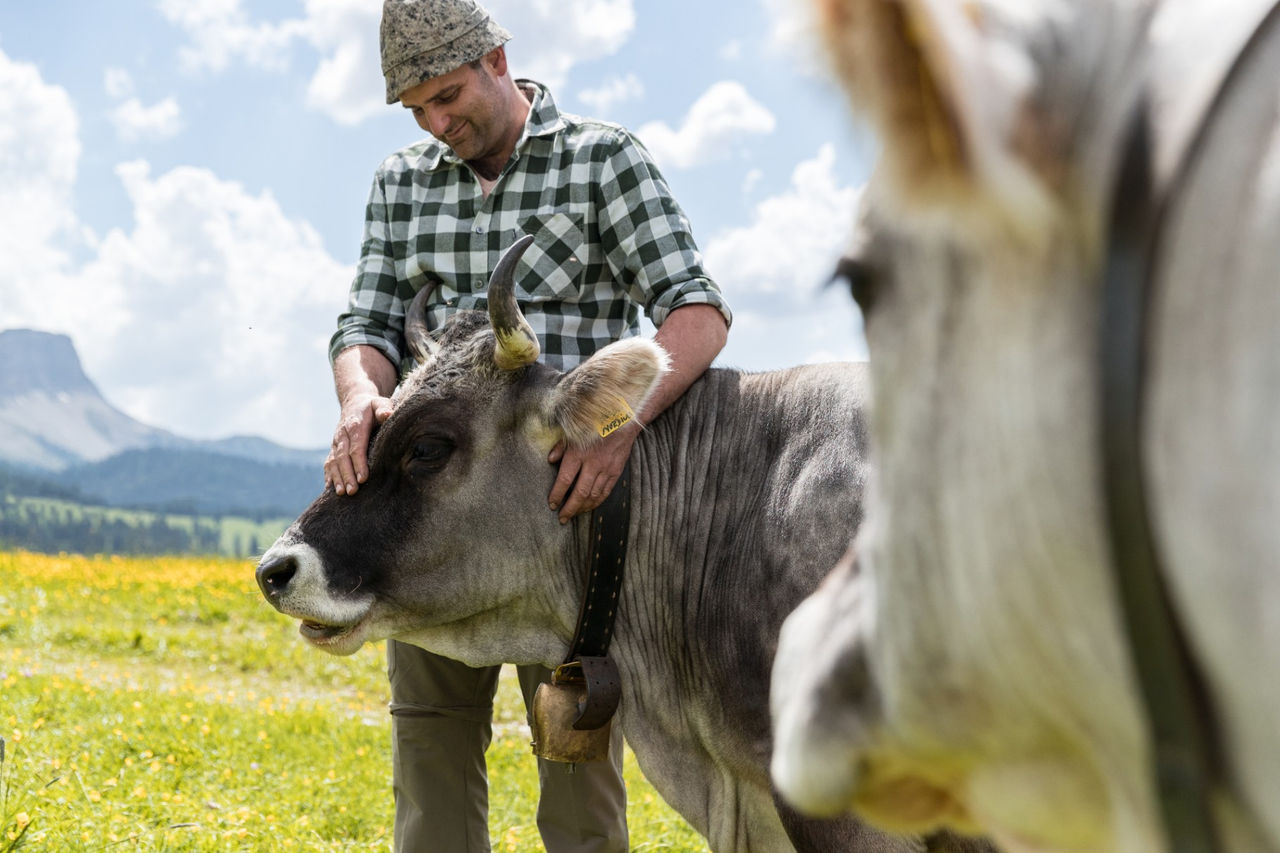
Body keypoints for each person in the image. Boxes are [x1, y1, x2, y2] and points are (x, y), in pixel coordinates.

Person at [323, 1, 732, 850]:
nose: (439, 124)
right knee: (430, 776)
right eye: (418, 111)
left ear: (498, 60)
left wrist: (620, 425)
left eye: (448, 96)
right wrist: (360, 396)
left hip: (565, 530)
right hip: (426, 522)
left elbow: (695, 313)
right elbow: (364, 326)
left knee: (577, 791)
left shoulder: (601, 160)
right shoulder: (402, 181)